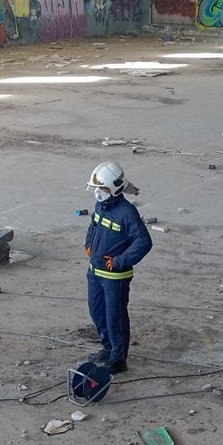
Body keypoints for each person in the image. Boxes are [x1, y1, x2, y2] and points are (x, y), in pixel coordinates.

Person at [84, 160, 153, 374]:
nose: (98, 193)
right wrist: (88, 244)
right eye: (97, 189)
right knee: (97, 312)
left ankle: (118, 358)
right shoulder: (100, 206)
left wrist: (119, 261)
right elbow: (93, 225)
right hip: (95, 272)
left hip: (115, 277)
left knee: (116, 317)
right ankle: (107, 347)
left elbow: (144, 242)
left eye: (102, 189)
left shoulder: (127, 213)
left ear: (114, 188)